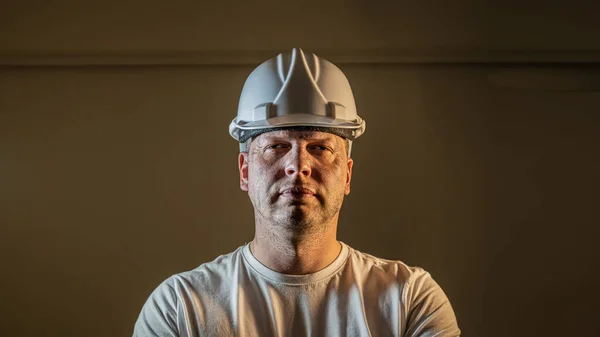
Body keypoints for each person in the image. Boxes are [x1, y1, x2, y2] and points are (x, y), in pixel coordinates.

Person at [133, 48, 461, 337]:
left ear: (347, 175)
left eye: (319, 147)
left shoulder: (410, 300)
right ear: (245, 171)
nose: (298, 165)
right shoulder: (180, 308)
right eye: (276, 146)